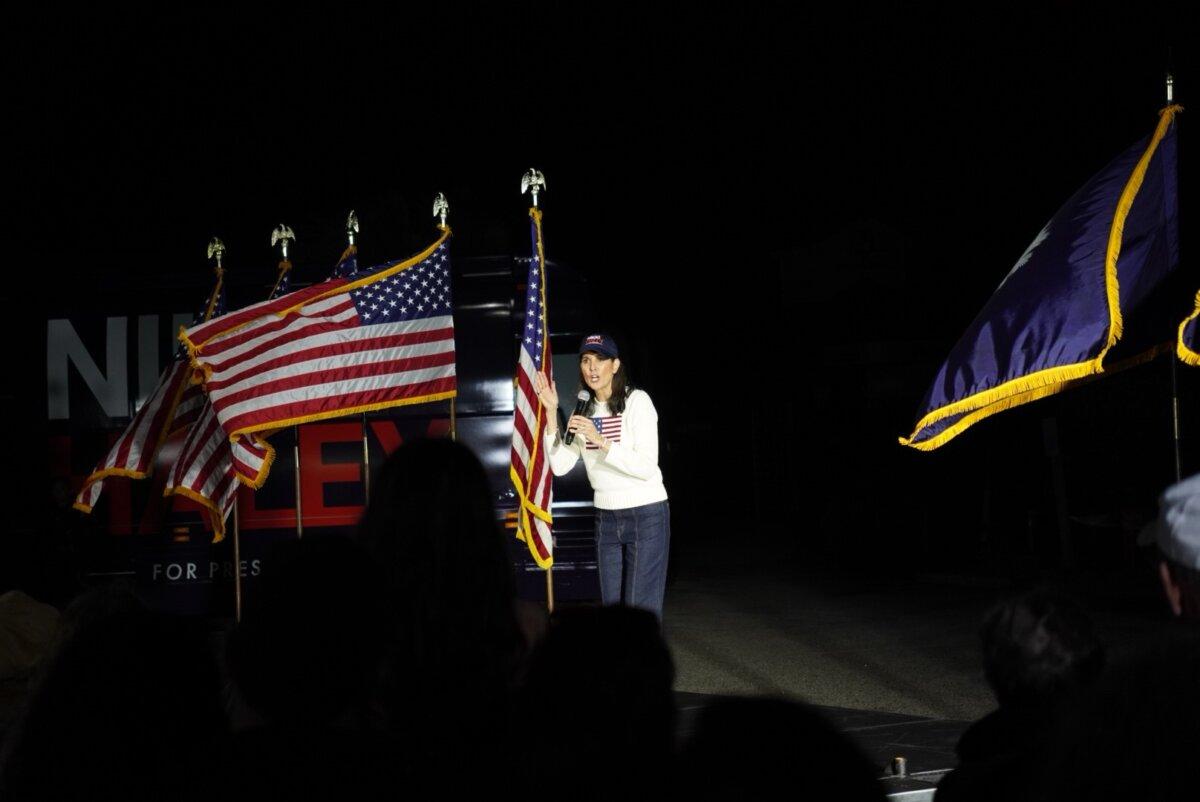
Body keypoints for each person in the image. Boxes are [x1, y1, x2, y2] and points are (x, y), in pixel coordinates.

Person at [533, 333, 671, 619]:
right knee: (610, 610)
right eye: (586, 360)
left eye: (600, 360)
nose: (592, 368)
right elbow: (559, 466)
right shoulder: (583, 410)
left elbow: (647, 466)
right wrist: (549, 413)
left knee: (639, 609)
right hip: (606, 517)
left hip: (646, 514)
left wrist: (602, 440)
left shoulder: (637, 402)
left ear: (616, 365)